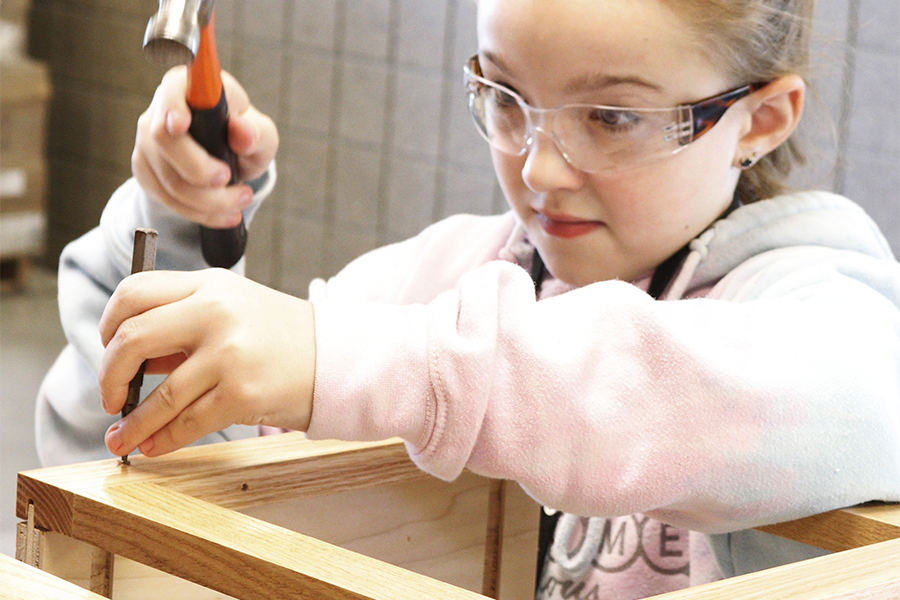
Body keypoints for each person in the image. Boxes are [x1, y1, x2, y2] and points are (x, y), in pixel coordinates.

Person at [38, 0, 900, 598]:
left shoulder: (819, 312)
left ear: (760, 118)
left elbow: (840, 402)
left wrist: (376, 364)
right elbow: (153, 498)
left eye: (609, 118)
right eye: (505, 97)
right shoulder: (440, 284)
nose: (538, 167)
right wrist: (178, 235)